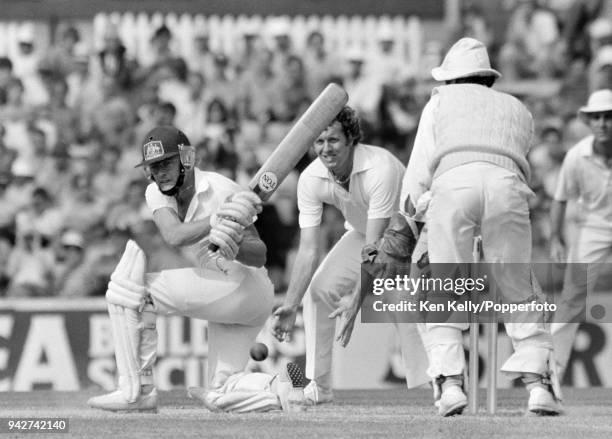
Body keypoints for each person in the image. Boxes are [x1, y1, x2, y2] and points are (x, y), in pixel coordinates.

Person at [343, 38, 562, 417]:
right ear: (486, 78)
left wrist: (405, 229)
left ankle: (449, 386)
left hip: (454, 188)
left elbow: (418, 174)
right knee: (516, 288)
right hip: (508, 189)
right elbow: (503, 162)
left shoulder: (440, 102)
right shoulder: (518, 108)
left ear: (451, 79)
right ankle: (538, 387)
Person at [87, 126, 305, 413]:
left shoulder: (223, 190)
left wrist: (235, 244)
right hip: (228, 294)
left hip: (245, 286)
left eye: (165, 163)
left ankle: (136, 390)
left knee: (127, 290)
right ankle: (288, 386)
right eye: (153, 166)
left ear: (186, 159)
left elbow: (260, 255)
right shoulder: (156, 193)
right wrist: (217, 220)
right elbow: (174, 235)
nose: (159, 172)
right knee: (222, 392)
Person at [272, 106, 429, 405]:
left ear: (351, 139)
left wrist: (355, 300)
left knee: (400, 301)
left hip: (413, 237)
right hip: (364, 234)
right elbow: (308, 249)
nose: (325, 149)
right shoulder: (310, 179)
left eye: (333, 140)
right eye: (319, 142)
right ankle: (318, 386)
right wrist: (290, 304)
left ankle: (430, 387)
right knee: (317, 292)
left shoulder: (379, 167)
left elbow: (377, 247)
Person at [550, 89, 612, 378]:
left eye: (608, 117)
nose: (603, 123)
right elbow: (560, 199)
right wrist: (556, 239)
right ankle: (550, 378)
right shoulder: (576, 156)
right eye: (597, 118)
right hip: (594, 227)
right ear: (588, 122)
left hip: (595, 224)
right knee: (573, 297)